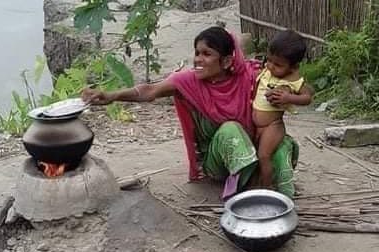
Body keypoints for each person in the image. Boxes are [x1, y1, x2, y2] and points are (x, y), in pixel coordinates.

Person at [81, 26, 298, 199]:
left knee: (283, 144)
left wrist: (286, 94)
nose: (198, 60)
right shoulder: (187, 81)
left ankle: (283, 201)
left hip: (254, 151)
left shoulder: (250, 76)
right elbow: (149, 91)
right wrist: (111, 96)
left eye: (206, 54)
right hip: (217, 164)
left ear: (227, 61)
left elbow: (291, 78)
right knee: (231, 130)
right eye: (197, 53)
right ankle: (249, 193)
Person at [253, 30, 313, 188]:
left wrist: (288, 98)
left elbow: (307, 97)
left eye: (278, 64)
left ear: (293, 67)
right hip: (255, 124)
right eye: (269, 60)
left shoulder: (293, 79)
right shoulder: (268, 70)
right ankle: (256, 183)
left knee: (264, 156)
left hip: (272, 126)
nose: (271, 66)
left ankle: (267, 189)